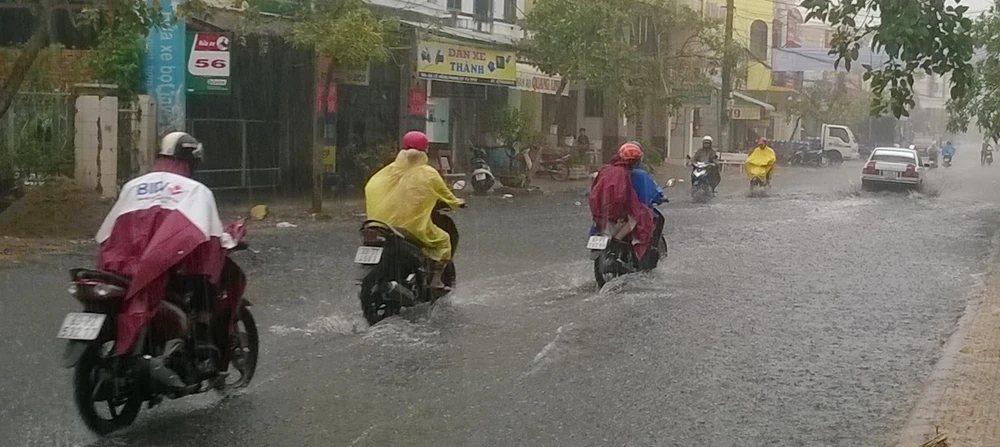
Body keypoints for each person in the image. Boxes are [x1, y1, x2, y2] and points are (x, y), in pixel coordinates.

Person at [96, 131, 236, 356]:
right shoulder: (197, 191)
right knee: (206, 276)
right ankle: (202, 335)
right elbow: (209, 239)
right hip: (163, 267)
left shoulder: (132, 186)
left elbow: (106, 234)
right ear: (192, 160)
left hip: (122, 269)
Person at [364, 131, 464, 290]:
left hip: (380, 225)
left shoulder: (385, 172)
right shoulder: (428, 173)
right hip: (412, 228)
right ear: (425, 151)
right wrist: (457, 203)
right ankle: (436, 281)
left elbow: (371, 189)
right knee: (443, 240)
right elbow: (447, 196)